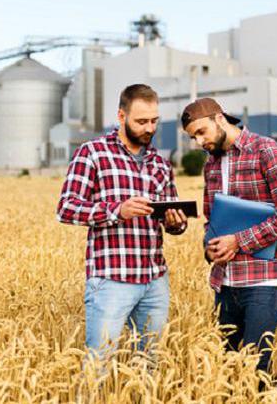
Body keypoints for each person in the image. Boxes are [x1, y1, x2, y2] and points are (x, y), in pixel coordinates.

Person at [57, 84, 187, 362]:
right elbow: (66, 208)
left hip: (155, 280)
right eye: (141, 121)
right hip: (111, 279)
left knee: (150, 363)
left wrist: (176, 222)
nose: (149, 128)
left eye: (154, 121)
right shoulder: (92, 153)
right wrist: (118, 210)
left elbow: (172, 219)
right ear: (121, 116)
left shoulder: (161, 163)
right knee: (99, 363)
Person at [181, 97, 277, 389]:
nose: (199, 142)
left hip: (262, 280)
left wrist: (238, 241)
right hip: (225, 282)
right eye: (193, 137)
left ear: (220, 119)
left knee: (256, 368)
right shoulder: (211, 165)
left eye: (201, 132)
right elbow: (211, 219)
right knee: (229, 369)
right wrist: (210, 246)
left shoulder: (267, 150)